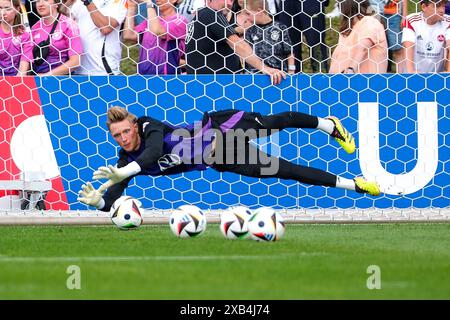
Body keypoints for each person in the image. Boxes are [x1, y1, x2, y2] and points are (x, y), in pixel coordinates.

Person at [78, 106, 381, 212]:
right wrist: (101, 203)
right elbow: (114, 195)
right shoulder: (124, 161)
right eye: (116, 136)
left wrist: (124, 172)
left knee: (272, 124)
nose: (123, 138)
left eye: (125, 131)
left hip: (220, 127)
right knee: (287, 171)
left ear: (133, 125)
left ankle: (328, 125)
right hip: (222, 156)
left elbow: (154, 152)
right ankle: (354, 185)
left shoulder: (147, 125)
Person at [185, 0, 286, 85]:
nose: (229, 3)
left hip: (205, 85)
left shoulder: (201, 17)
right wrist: (264, 68)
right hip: (214, 87)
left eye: (232, 0)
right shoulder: (210, 13)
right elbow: (237, 44)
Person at [122, 0, 188, 75]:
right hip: (143, 76)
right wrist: (131, 7)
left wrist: (149, 3)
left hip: (166, 78)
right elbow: (128, 35)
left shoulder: (179, 21)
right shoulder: (151, 21)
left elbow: (158, 32)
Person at [67, 0, 127, 75]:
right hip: (76, 69)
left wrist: (87, 2)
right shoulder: (78, 3)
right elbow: (63, 19)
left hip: (103, 70)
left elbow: (106, 28)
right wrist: (69, 2)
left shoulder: (119, 1)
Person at [329, 0, 388, 74]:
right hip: (341, 81)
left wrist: (351, 69)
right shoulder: (347, 28)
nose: (337, 5)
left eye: (339, 2)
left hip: (364, 81)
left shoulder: (370, 22)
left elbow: (363, 48)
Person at [241, 0, 295, 75]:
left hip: (278, 75)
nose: (246, 18)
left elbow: (289, 52)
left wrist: (291, 72)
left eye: (248, 13)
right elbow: (246, 53)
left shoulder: (280, 28)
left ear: (259, 11)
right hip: (255, 76)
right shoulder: (250, 31)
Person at [31, 0, 82, 75]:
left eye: (46, 0)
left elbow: (75, 62)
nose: (40, 4)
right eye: (38, 1)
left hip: (62, 79)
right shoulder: (35, 27)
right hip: (37, 79)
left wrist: (47, 75)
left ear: (57, 4)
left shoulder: (68, 24)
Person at [278, 0, 330, 73]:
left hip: (311, 3)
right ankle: (293, 79)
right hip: (287, 3)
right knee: (289, 43)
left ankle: (321, 76)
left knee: (316, 42)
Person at [402, 0, 450, 73]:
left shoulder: (447, 21)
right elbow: (408, 46)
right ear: (424, 7)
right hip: (415, 75)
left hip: (437, 76)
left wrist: (448, 72)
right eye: (437, 6)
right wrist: (410, 71)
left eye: (443, 6)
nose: (442, 10)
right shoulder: (412, 20)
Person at [0, 0, 33, 76]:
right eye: (0, 8)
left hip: (16, 81)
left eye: (7, 8)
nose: (3, 12)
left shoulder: (25, 35)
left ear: (17, 9)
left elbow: (23, 69)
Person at [382, 0, 408, 72]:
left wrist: (404, 16)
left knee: (398, 49)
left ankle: (401, 77)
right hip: (376, 12)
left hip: (394, 15)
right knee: (377, 48)